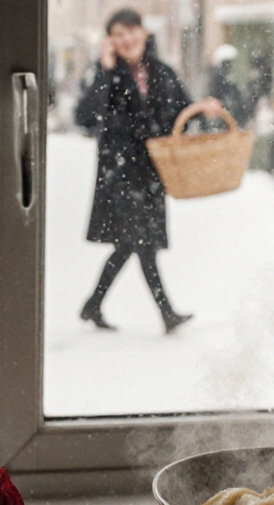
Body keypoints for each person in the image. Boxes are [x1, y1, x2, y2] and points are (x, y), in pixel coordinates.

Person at [75, 9, 222, 333]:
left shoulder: (161, 71)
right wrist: (105, 70)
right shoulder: (105, 74)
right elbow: (85, 116)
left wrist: (205, 107)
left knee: (132, 244)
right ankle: (165, 313)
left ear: (142, 32)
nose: (127, 39)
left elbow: (184, 110)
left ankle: (93, 304)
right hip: (120, 173)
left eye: (131, 31)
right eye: (118, 34)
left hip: (154, 173)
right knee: (141, 243)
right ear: (110, 42)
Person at [207, 44, 253, 128]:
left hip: (232, 122)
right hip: (222, 123)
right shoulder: (216, 80)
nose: (228, 66)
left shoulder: (232, 81)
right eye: (227, 63)